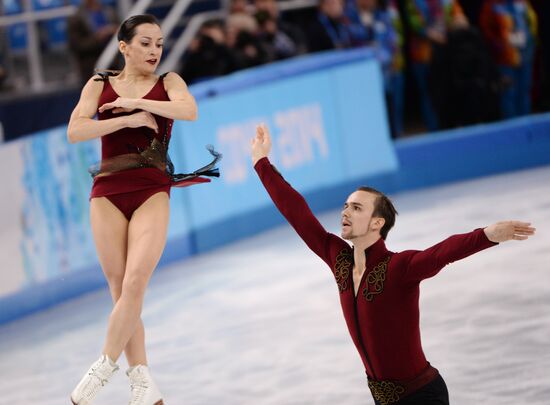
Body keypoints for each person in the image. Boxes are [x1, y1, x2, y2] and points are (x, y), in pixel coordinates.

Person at [250, 123, 536, 405]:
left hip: (423, 397)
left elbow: (441, 253)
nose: (345, 212)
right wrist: (262, 163)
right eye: (346, 205)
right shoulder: (339, 260)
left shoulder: (400, 267)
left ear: (377, 223)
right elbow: (297, 212)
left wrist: (486, 235)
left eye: (356, 208)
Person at [67, 14, 220, 405]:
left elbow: (189, 111)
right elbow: (76, 130)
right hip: (106, 191)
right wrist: (125, 121)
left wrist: (136, 102)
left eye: (159, 44)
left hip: (151, 188)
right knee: (120, 290)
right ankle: (143, 383)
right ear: (124, 47)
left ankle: (104, 366)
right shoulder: (99, 83)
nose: (155, 50)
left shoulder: (168, 82)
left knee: (135, 282)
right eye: (146, 43)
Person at [405, 0, 468, 131]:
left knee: (450, 90)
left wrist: (460, 19)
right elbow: (415, 24)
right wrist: (436, 36)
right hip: (424, 56)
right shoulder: (413, 2)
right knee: (428, 94)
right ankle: (434, 130)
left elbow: (457, 14)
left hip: (447, 53)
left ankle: (452, 127)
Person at [479, 0, 538, 119]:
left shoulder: (523, 2)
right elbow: (486, 30)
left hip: (525, 56)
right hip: (505, 60)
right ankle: (512, 128)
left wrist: (531, 42)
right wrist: (500, 46)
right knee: (508, 94)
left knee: (524, 92)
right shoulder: (492, 5)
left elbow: (531, 23)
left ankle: (525, 125)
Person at [67, 0, 119, 83]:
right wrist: (98, 38)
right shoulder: (76, 18)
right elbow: (76, 45)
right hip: (91, 67)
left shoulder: (110, 11)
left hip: (115, 65)